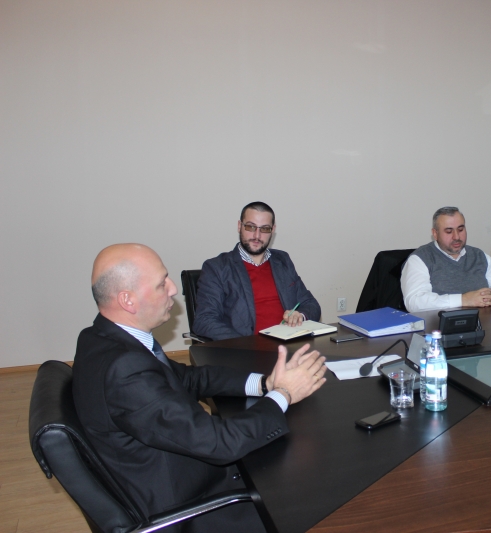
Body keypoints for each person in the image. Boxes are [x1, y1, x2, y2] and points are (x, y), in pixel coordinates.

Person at [73, 243, 327, 532]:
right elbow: (221, 444)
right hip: (191, 504)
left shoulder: (101, 338)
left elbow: (189, 378)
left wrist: (265, 383)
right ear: (127, 300)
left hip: (179, 472)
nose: (173, 289)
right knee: (312, 493)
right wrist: (284, 394)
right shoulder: (125, 370)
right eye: (161, 284)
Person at [194, 201, 321, 340]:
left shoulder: (282, 260)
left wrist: (300, 315)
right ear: (239, 226)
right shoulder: (217, 267)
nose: (257, 236)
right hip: (247, 348)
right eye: (250, 227)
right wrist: (247, 345)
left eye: (265, 229)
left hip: (289, 343)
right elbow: (204, 320)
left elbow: (311, 304)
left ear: (273, 230)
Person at [401, 206, 491, 312]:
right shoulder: (419, 259)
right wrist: (464, 300)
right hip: (439, 323)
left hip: (484, 322)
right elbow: (414, 302)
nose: (456, 237)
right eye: (449, 231)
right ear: (435, 233)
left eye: (460, 229)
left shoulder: (479, 256)